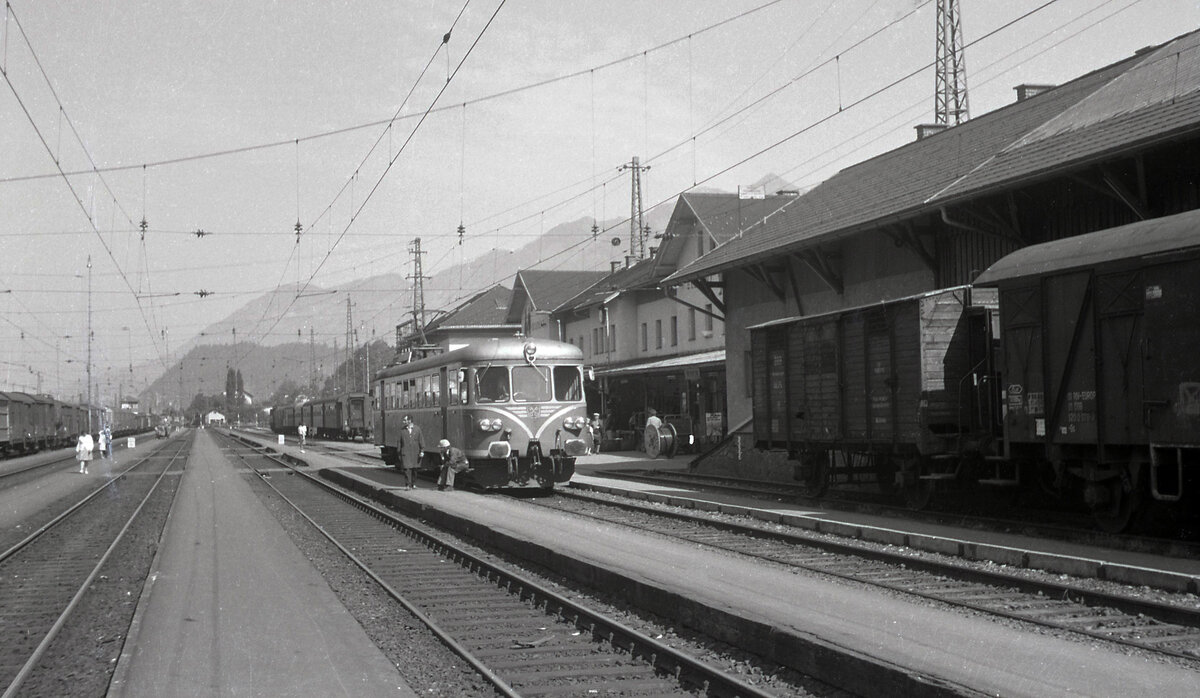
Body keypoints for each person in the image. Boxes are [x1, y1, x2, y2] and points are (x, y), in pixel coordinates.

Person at [398, 414, 424, 490]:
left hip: (415, 453)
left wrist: (422, 450)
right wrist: (399, 451)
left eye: (405, 420)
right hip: (405, 453)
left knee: (414, 469)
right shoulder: (402, 430)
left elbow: (421, 440)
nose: (404, 421)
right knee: (407, 469)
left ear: (410, 421)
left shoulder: (417, 429)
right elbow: (399, 442)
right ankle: (407, 485)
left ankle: (414, 484)